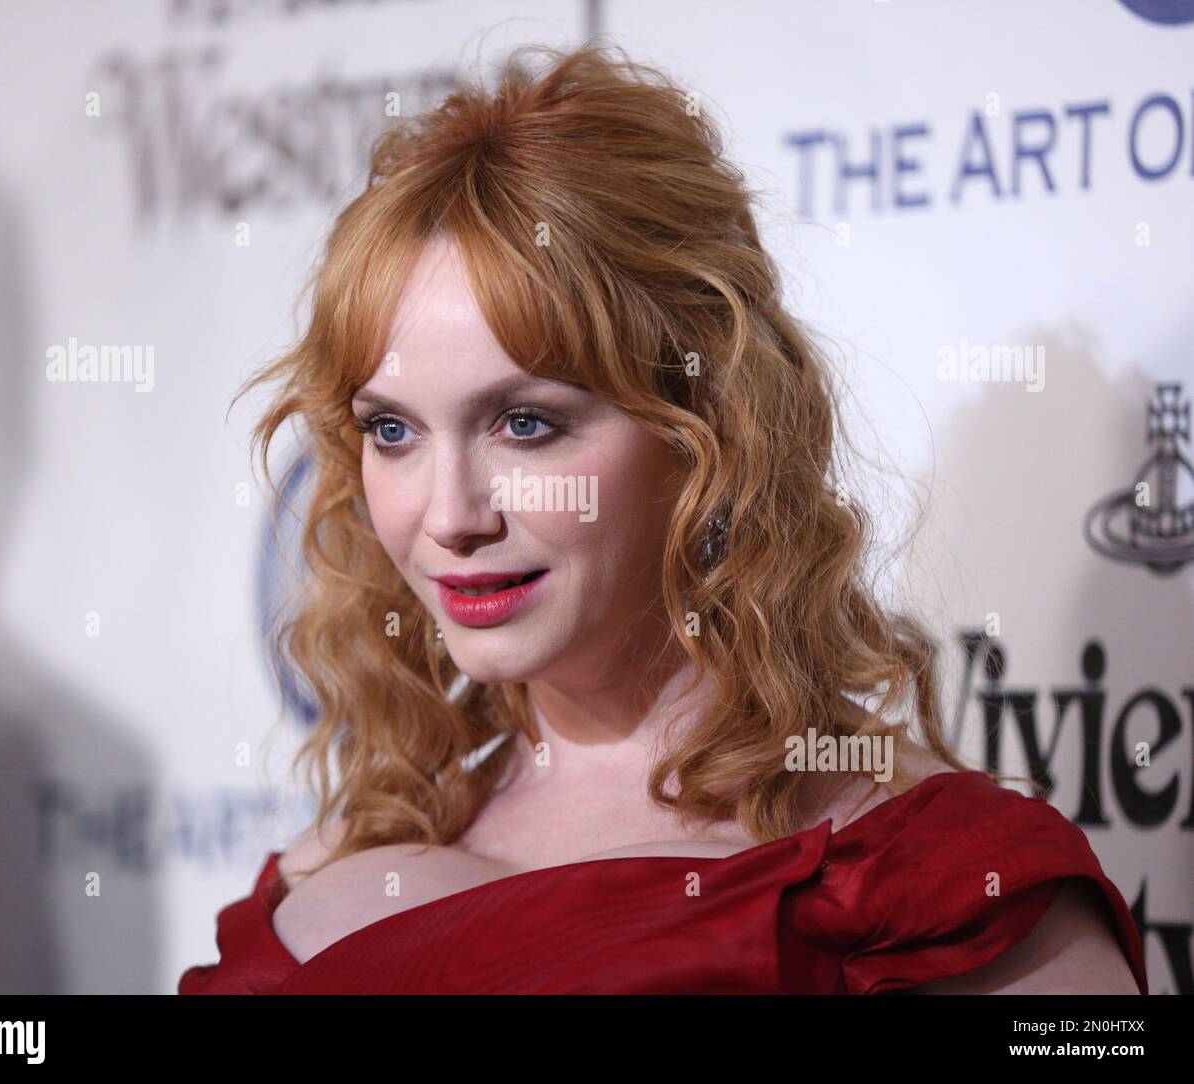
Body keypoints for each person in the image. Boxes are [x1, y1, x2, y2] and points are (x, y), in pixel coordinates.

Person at [179, 42, 1146, 995]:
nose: (449, 516)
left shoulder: (932, 891)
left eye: (525, 424)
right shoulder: (344, 856)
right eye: (393, 431)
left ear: (709, 428)